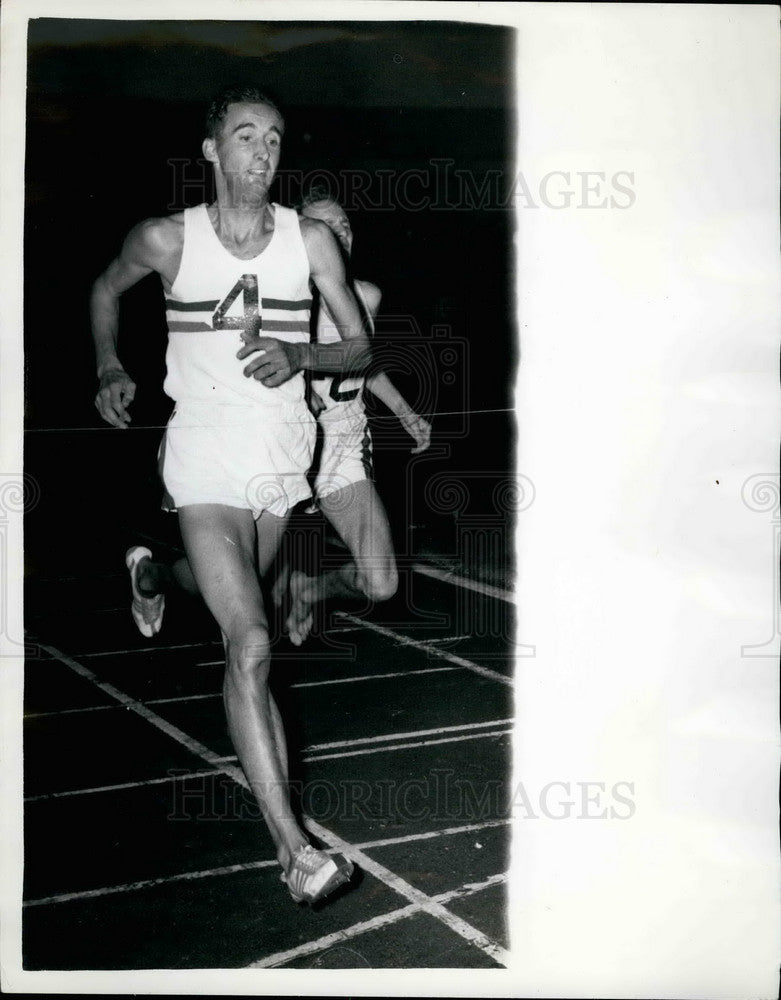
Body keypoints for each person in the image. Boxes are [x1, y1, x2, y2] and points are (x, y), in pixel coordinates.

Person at [92, 85, 372, 905]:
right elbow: (103, 292)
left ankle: (152, 571)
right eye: (244, 137)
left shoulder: (311, 240)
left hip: (282, 455)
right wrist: (110, 364)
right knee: (249, 642)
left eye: (275, 139)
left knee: (227, 602)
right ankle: (294, 851)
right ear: (211, 150)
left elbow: (357, 349)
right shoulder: (165, 239)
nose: (262, 152)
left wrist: (303, 359)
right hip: (204, 449)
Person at [278, 186, 432, 645]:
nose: (340, 234)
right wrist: (297, 390)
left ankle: (308, 589)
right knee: (238, 578)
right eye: (326, 227)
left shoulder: (366, 295)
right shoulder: (279, 301)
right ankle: (154, 576)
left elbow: (363, 362)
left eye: (345, 225)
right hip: (280, 439)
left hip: (341, 439)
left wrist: (404, 411)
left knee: (382, 583)